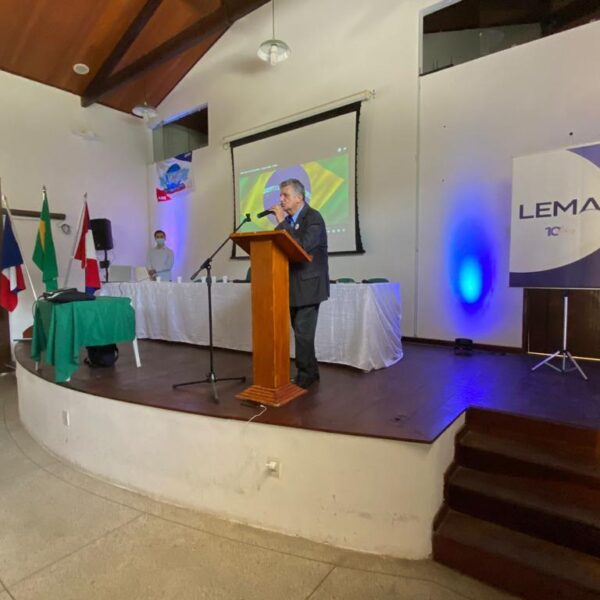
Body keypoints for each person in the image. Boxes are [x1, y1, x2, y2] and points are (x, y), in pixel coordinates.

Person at [272, 178, 329, 389]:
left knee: (303, 333)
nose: (281, 199)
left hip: (309, 286)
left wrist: (281, 222)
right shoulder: (289, 221)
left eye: (285, 195)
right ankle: (311, 371)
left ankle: (305, 375)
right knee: (300, 332)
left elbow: (302, 246)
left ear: (299, 197)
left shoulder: (313, 218)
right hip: (293, 285)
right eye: (280, 195)